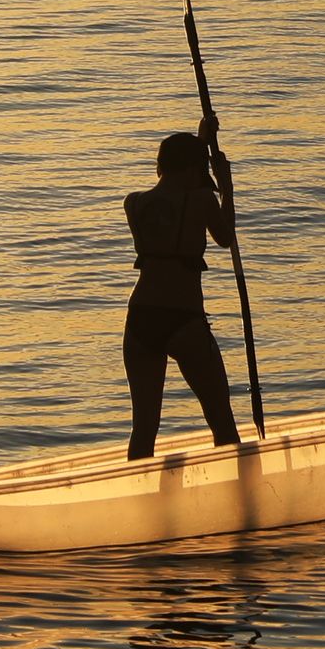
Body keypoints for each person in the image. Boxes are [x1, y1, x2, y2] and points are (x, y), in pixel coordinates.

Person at [123, 114, 245, 459]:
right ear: (195, 169)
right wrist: (228, 188)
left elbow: (176, 192)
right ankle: (237, 497)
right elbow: (225, 237)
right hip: (183, 317)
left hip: (141, 318)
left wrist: (202, 142)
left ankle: (138, 499)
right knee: (220, 418)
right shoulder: (203, 200)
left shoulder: (134, 203)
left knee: (144, 426)